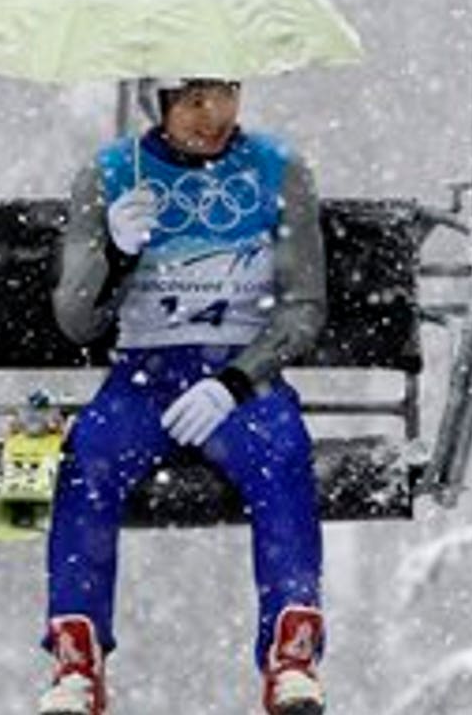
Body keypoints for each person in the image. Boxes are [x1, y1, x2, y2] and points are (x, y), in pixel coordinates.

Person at [39, 77, 328, 715]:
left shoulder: (278, 172)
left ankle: (292, 648)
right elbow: (77, 322)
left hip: (240, 374)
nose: (215, 116)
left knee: (281, 457)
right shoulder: (113, 175)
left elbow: (303, 308)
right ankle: (76, 651)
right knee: (89, 461)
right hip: (146, 374)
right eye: (195, 100)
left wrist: (236, 382)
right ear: (159, 102)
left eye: (226, 95)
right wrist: (112, 252)